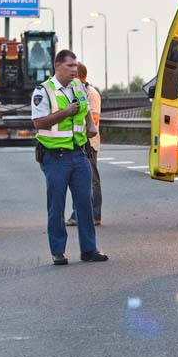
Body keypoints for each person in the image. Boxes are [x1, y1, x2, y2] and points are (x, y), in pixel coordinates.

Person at [31, 50, 107, 266]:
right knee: (56, 206)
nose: (75, 69)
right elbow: (38, 123)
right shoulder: (43, 90)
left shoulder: (79, 87)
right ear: (58, 66)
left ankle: (89, 249)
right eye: (70, 65)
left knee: (85, 203)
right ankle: (58, 251)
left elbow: (84, 113)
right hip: (55, 157)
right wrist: (65, 112)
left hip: (79, 153)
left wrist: (91, 128)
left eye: (76, 65)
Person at [65, 62, 102, 227]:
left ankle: (94, 214)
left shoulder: (91, 93)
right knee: (79, 181)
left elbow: (94, 120)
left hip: (89, 143)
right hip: (79, 142)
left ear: (78, 76)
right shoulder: (76, 92)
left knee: (92, 180)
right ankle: (78, 214)